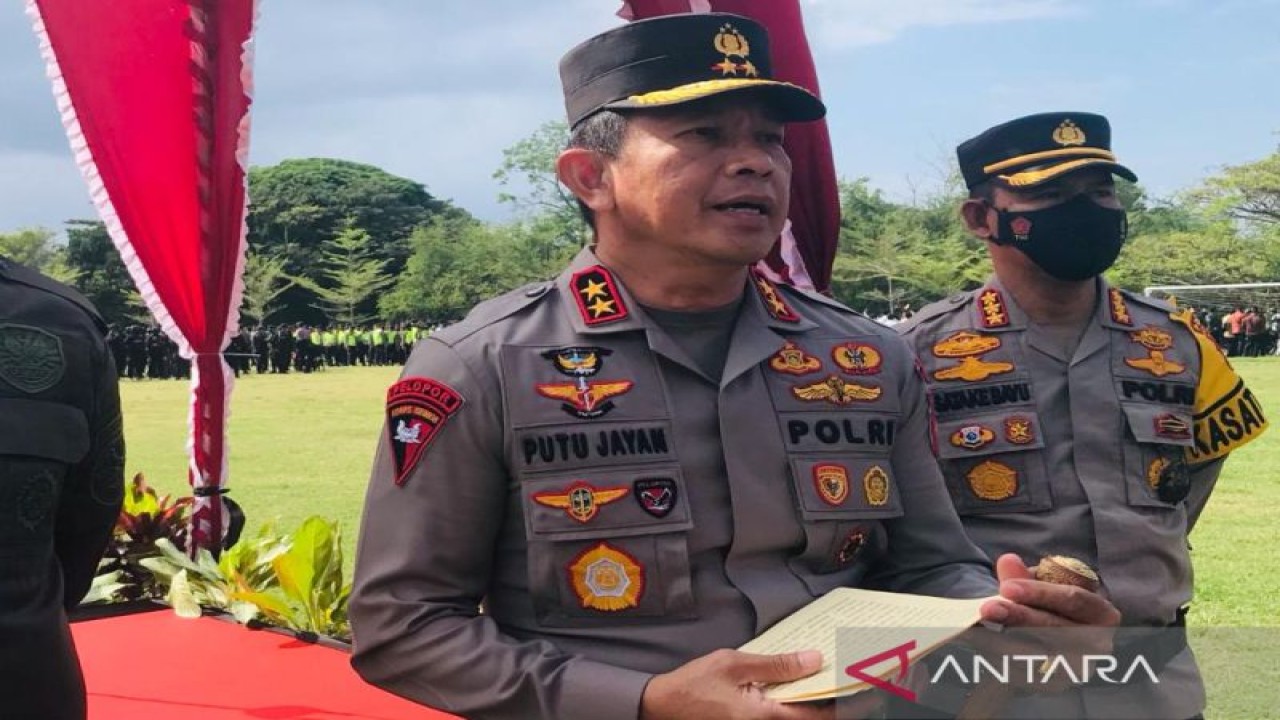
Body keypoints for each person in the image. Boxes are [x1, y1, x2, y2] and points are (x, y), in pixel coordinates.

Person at [349, 17, 1119, 720]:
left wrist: (1005, 609)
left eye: (771, 139)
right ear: (591, 176)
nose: (755, 162)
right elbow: (403, 628)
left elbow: (931, 567)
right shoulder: (483, 365)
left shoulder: (866, 357)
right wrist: (643, 702)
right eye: (705, 134)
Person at [898, 112, 1269, 718]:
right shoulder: (918, 352)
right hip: (987, 689)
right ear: (979, 218)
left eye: (1100, 190)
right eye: (1048, 193)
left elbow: (1187, 489)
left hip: (1155, 686)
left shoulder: (1178, 343)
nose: (1086, 210)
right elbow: (903, 533)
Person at [0, 255, 126, 720]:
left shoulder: (63, 318)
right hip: (24, 670)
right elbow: (92, 511)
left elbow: (97, 497)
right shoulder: (62, 319)